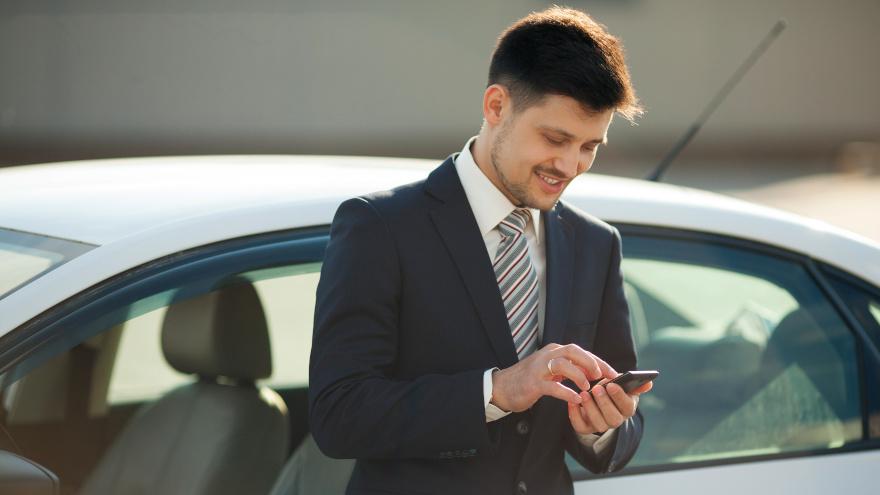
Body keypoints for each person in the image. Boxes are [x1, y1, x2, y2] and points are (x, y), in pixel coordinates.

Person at [309, 6, 652, 495]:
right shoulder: (380, 227)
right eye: (555, 138)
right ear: (496, 106)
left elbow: (618, 436)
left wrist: (601, 426)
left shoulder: (596, 244)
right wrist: (498, 390)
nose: (570, 165)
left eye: (589, 147)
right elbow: (339, 414)